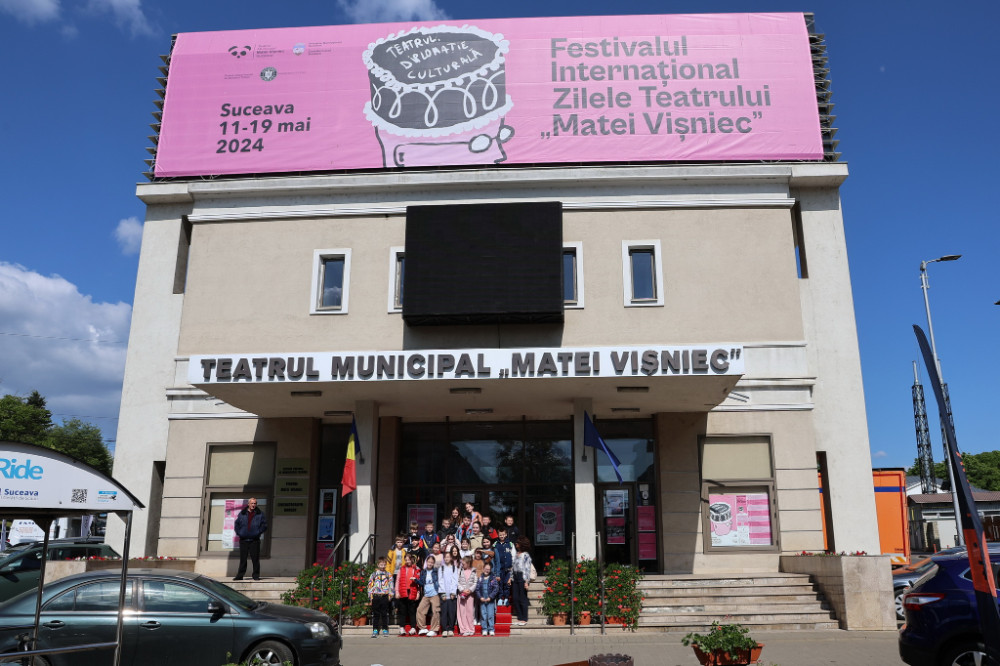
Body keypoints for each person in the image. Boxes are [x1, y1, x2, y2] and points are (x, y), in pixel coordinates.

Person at [233, 497, 267, 581]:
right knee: (243, 559)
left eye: (255, 503)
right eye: (252, 503)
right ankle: (240, 575)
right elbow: (237, 524)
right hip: (243, 540)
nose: (253, 505)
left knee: (255, 559)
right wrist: (239, 533)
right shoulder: (242, 513)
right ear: (248, 504)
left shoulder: (260, 514)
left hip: (254, 540)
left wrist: (258, 532)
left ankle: (256, 575)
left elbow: (264, 525)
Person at [368, 556, 394, 638]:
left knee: (384, 613)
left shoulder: (388, 574)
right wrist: (370, 596)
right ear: (378, 565)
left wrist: (390, 595)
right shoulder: (374, 574)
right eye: (381, 565)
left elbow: (391, 586)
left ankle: (385, 629)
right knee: (376, 614)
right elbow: (370, 585)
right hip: (376, 595)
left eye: (384, 564)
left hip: (384, 596)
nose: (383, 566)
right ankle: (375, 629)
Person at [395, 553, 421, 635]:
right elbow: (398, 581)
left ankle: (413, 627)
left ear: (412, 559)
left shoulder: (416, 569)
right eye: (406, 560)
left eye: (409, 559)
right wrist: (397, 591)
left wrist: (418, 593)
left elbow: (418, 582)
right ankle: (402, 627)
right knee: (402, 611)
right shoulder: (401, 569)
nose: (408, 561)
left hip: (412, 591)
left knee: (412, 611)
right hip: (403, 591)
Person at [416, 555, 442, 637]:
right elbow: (422, 583)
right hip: (426, 594)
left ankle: (434, 629)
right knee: (420, 610)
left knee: (435, 611)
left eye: (431, 562)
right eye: (429, 562)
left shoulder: (436, 571)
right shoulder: (423, 572)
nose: (430, 563)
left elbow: (440, 581)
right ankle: (422, 628)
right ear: (426, 562)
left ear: (433, 563)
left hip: (435, 593)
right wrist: (416, 580)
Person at [511, 536, 533, 625]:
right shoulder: (516, 554)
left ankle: (524, 618)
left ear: (522, 544)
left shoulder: (526, 555)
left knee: (522, 598)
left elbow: (527, 569)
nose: (516, 544)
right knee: (515, 598)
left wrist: (526, 581)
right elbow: (513, 567)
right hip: (515, 576)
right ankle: (519, 618)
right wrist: (510, 577)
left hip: (522, 577)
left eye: (518, 543)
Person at [439, 550, 459, 637]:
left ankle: (451, 628)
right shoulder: (441, 568)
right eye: (445, 557)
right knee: (444, 612)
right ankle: (444, 629)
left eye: (448, 557)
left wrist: (453, 592)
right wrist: (442, 593)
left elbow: (455, 581)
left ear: (451, 558)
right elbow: (440, 581)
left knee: (451, 612)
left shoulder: (454, 568)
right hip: (444, 594)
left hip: (452, 594)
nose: (447, 558)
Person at [476, 561, 500, 636]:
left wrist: (491, 597)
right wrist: (480, 597)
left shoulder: (493, 578)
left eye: (488, 569)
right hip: (483, 599)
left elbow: (496, 588)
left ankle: (491, 629)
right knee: (483, 615)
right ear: (483, 569)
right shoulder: (480, 578)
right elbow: (477, 589)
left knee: (490, 615)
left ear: (490, 570)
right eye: (486, 569)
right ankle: (484, 629)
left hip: (490, 600)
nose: (487, 570)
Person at [456, 555, 478, 636]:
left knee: (470, 611)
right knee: (461, 612)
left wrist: (470, 590)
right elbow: (457, 582)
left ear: (468, 563)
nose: (462, 565)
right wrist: (462, 590)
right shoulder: (459, 571)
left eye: (463, 563)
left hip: (470, 595)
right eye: (462, 563)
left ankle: (471, 629)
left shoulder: (473, 571)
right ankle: (463, 629)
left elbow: (475, 582)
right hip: (461, 594)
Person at [493, 527, 515, 606]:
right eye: (500, 535)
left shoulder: (510, 544)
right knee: (499, 583)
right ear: (498, 535)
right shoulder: (495, 544)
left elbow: (514, 556)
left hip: (508, 568)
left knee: (507, 584)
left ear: (506, 534)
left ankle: (506, 598)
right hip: (499, 569)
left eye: (503, 535)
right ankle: (499, 598)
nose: (502, 536)